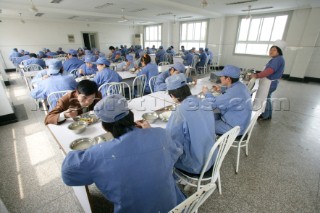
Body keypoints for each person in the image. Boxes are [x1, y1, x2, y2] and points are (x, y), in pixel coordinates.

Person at [61, 94, 185, 212]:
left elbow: (67, 175)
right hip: (175, 206)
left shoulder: (98, 154)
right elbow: (177, 152)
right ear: (131, 116)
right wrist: (151, 133)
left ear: (105, 127)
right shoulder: (160, 134)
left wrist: (91, 150)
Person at [165, 73, 217, 174]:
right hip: (212, 157)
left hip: (196, 165)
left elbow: (172, 143)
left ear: (172, 96)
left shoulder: (180, 112)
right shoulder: (204, 102)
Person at [202, 65, 252, 135]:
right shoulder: (241, 86)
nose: (220, 78)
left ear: (228, 79)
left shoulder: (232, 93)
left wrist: (207, 93)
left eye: (222, 76)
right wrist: (222, 89)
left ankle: (210, 145)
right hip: (241, 122)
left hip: (233, 128)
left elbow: (213, 103)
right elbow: (232, 92)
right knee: (210, 115)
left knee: (203, 124)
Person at [250, 41, 286, 120]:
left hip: (270, 83)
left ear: (279, 51)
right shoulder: (278, 59)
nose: (271, 51)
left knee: (265, 98)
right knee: (267, 98)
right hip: (271, 82)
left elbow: (269, 71)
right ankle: (268, 115)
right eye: (270, 49)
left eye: (274, 50)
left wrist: (257, 75)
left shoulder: (277, 60)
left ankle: (265, 116)